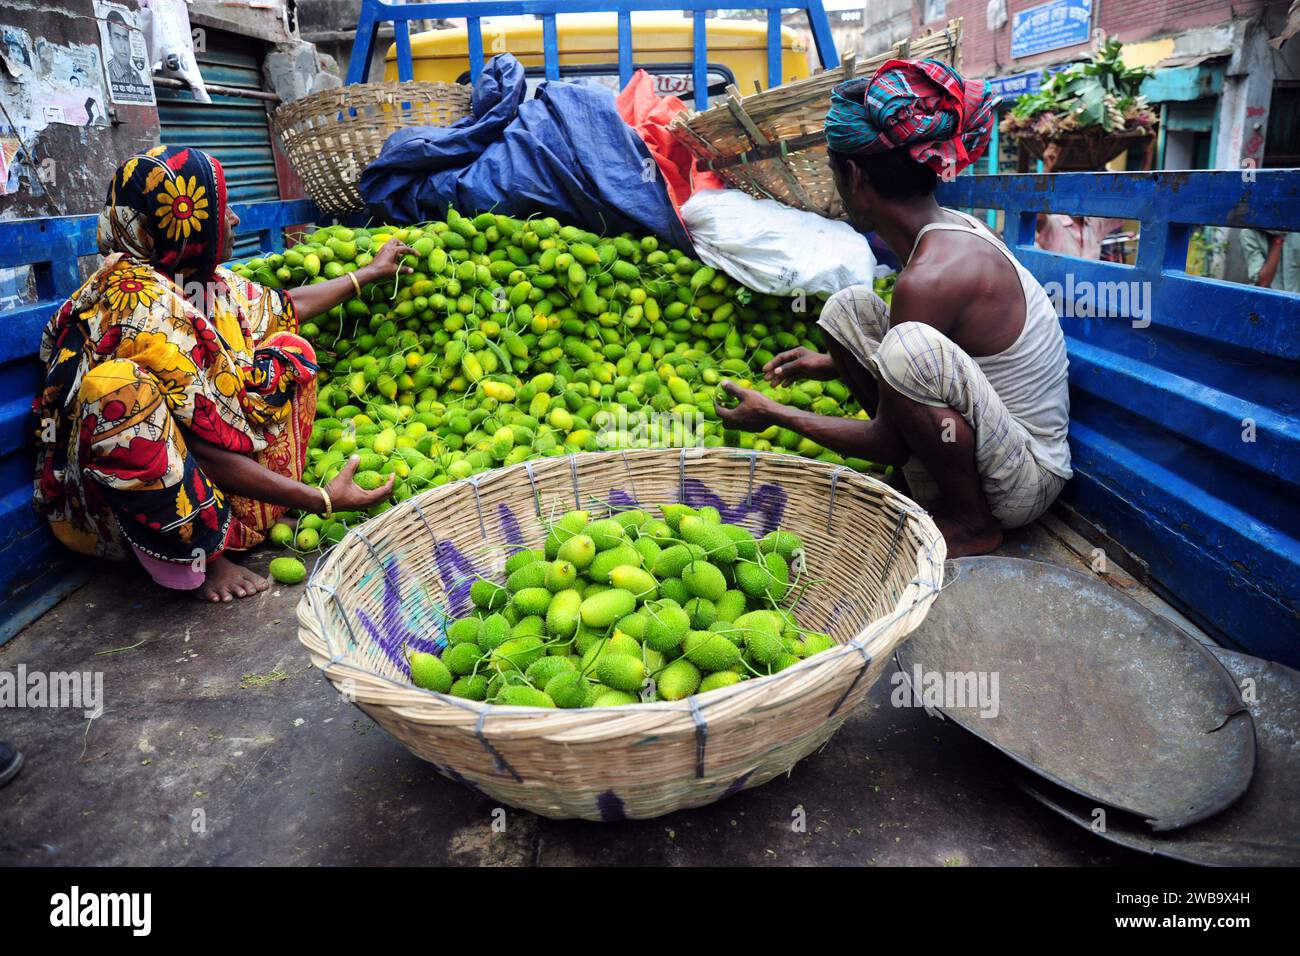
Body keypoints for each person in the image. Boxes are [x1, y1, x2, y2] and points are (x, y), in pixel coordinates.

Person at [716, 59, 1072, 557]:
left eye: (833, 170)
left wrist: (775, 414)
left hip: (1025, 479)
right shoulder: (945, 232)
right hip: (992, 442)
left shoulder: (931, 277)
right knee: (847, 309)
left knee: (904, 349)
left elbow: (890, 435)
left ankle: (971, 522)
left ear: (855, 175)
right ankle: (925, 483)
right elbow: (957, 361)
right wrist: (830, 364)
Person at [33, 146, 404, 602]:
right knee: (118, 390)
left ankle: (252, 517)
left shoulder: (193, 280)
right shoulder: (139, 305)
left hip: (196, 471)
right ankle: (197, 557)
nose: (232, 221)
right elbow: (206, 451)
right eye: (220, 211)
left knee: (288, 349)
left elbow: (284, 307)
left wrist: (368, 274)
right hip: (116, 511)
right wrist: (320, 500)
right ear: (181, 222)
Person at [1241, 228, 1300, 293]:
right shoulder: (1249, 233)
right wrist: (1277, 240)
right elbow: (1262, 284)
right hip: (1267, 299)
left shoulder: (1296, 228)